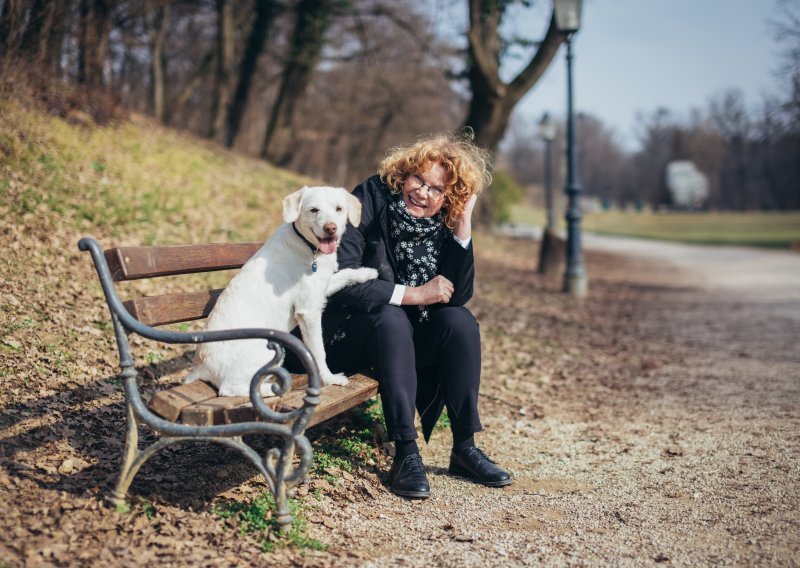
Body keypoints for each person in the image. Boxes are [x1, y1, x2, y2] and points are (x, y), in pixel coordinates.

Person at [292, 132, 511, 498]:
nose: (423, 193)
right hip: (349, 333)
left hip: (405, 339)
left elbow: (459, 295)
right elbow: (340, 276)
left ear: (448, 198)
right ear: (404, 174)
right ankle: (406, 454)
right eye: (418, 180)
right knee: (390, 315)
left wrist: (462, 225)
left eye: (437, 189)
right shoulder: (369, 200)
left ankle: (465, 447)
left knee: (460, 322)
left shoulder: (442, 221)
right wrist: (413, 294)